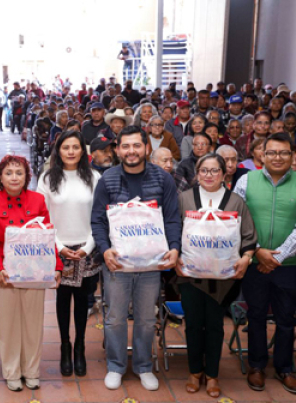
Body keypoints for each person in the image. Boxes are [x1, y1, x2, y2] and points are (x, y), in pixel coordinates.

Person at [91, 126, 181, 392]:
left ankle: (143, 365)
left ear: (146, 148)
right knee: (115, 317)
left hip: (152, 264)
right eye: (125, 146)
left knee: (145, 317)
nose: (131, 151)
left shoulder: (163, 180)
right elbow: (97, 219)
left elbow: (172, 218)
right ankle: (116, 365)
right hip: (117, 262)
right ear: (117, 149)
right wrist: (105, 248)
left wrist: (174, 248)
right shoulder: (107, 179)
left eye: (136, 146)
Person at [176, 153, 257, 398]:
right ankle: (194, 371)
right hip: (190, 275)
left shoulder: (235, 202)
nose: (209, 175)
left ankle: (212, 374)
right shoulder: (184, 199)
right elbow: (173, 232)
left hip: (223, 278)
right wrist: (175, 257)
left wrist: (246, 258)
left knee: (214, 325)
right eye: (204, 170)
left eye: (214, 171)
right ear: (197, 173)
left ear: (224, 174)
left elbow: (249, 237)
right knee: (192, 325)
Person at [0, 154, 63, 392]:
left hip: (34, 273)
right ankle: (12, 372)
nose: (14, 177)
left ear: (27, 176)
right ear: (0, 177)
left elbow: (47, 237)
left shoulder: (37, 200)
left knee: (33, 323)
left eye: (19, 172)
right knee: (7, 325)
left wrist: (56, 265)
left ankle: (31, 370)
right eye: (8, 173)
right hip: (6, 274)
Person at [233, 133, 296, 394]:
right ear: (262, 155)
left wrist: (277, 257)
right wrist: (257, 250)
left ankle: (285, 367)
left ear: (292, 156)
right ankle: (256, 365)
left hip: (289, 265)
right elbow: (236, 218)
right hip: (255, 261)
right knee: (256, 315)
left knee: (286, 318)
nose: (277, 157)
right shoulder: (246, 181)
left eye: (283, 152)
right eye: (272, 152)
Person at [37, 131, 101, 377]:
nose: (71, 151)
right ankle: (65, 346)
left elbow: (99, 215)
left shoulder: (94, 177)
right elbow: (42, 216)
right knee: (62, 301)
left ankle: (80, 347)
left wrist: (87, 247)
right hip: (58, 250)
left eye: (76, 147)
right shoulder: (47, 178)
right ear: (58, 151)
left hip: (87, 249)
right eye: (66, 147)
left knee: (83, 301)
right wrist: (59, 246)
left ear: (83, 151)